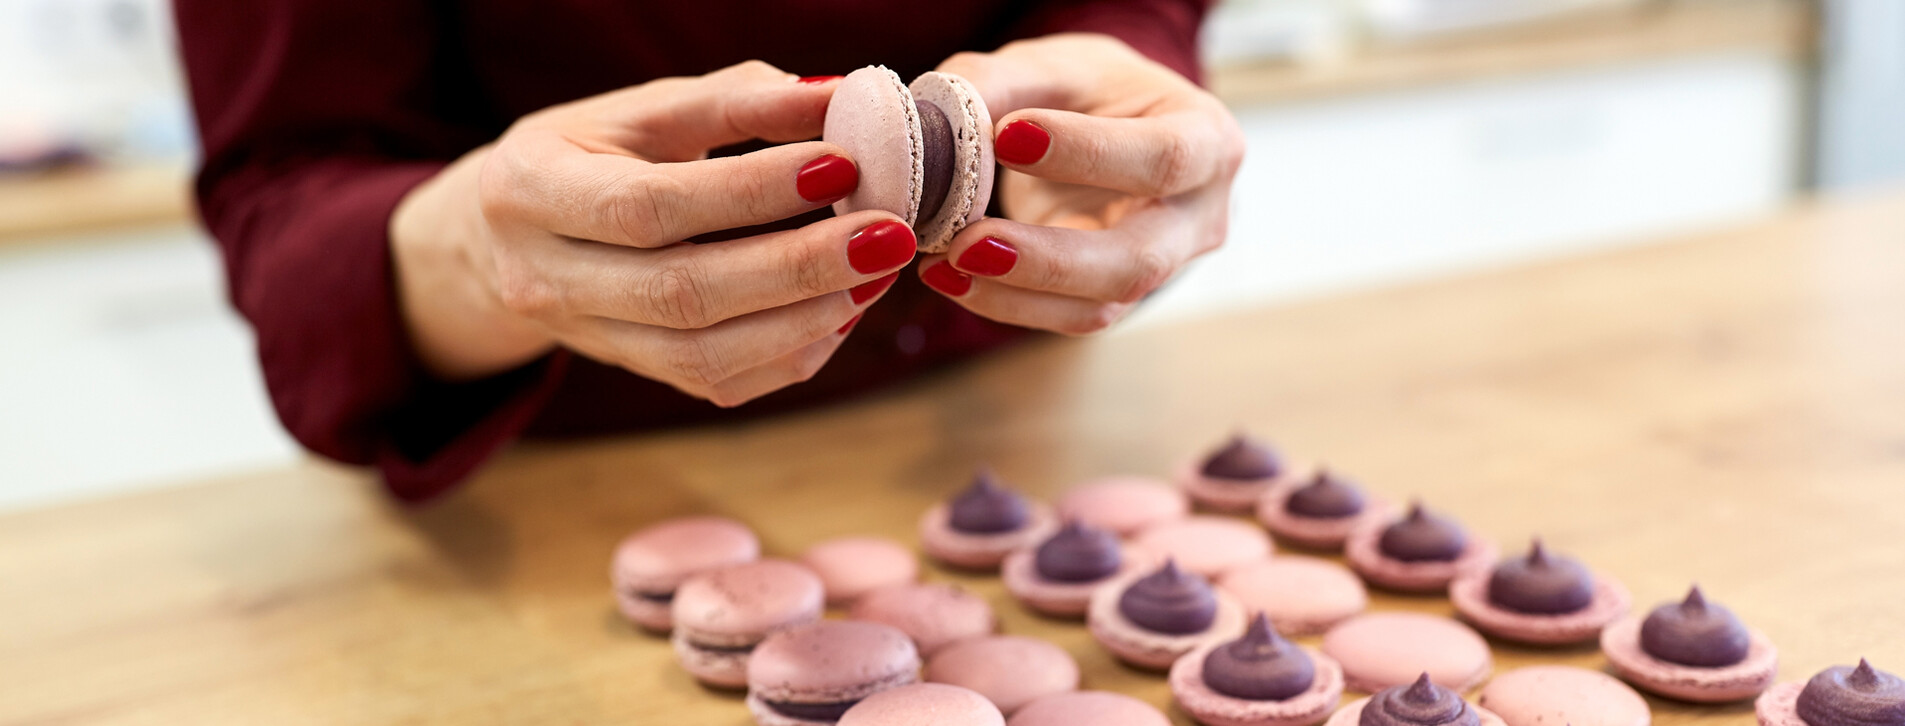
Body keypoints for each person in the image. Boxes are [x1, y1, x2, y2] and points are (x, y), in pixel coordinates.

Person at [174, 1, 1244, 501]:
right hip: (568, 489)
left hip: (1020, 416)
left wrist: (1120, 64)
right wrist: (474, 249)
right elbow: (287, 183)